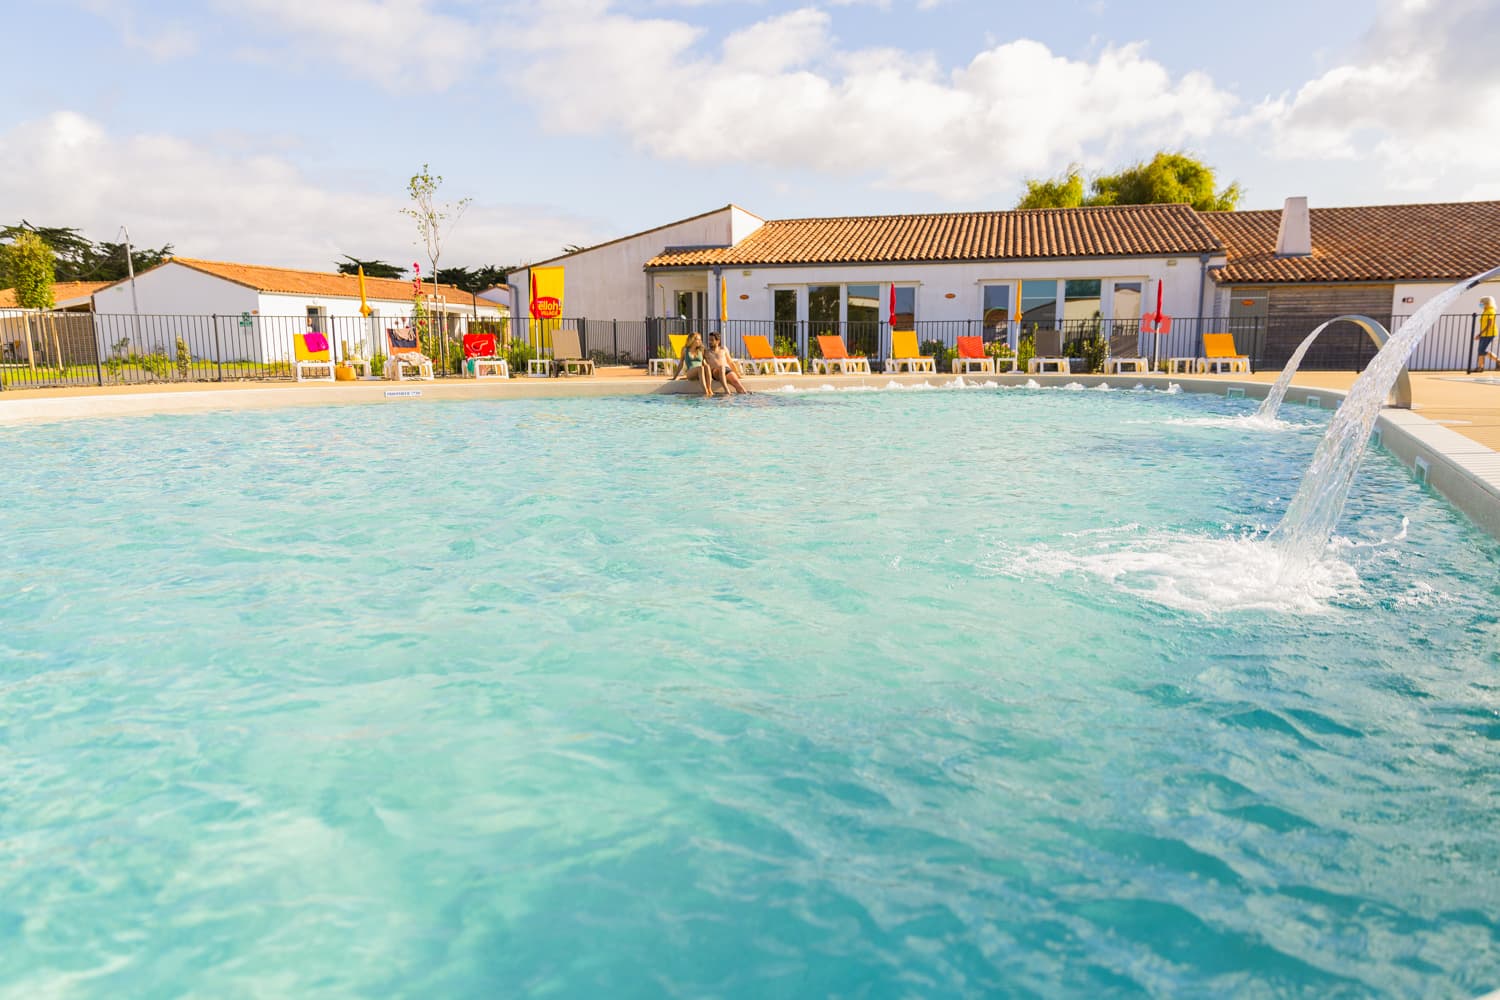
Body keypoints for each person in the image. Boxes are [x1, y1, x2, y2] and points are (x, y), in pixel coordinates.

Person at [672, 331, 713, 396]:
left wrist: (709, 372)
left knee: (706, 366)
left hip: (701, 372)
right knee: (700, 368)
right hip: (690, 372)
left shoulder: (701, 350)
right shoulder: (685, 349)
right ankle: (705, 392)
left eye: (700, 339)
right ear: (692, 340)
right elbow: (681, 364)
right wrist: (674, 377)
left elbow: (703, 362)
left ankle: (710, 389)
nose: (700, 341)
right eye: (698, 339)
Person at [1476, 296, 1499, 372]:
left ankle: (1498, 360)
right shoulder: (1485, 311)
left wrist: (1480, 334)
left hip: (1489, 333)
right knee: (1480, 350)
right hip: (1484, 333)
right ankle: (1480, 367)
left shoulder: (1491, 311)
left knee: (1482, 350)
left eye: (1482, 303)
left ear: (1487, 303)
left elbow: (1489, 324)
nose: (1480, 304)